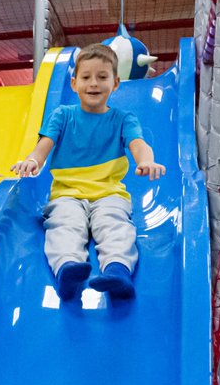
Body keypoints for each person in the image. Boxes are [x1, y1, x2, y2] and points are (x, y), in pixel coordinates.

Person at [11, 43, 165, 300]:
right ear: (74, 83)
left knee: (114, 223)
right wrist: (32, 161)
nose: (93, 83)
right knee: (65, 224)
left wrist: (146, 161)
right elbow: (44, 145)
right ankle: (67, 269)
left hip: (109, 193)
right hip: (67, 194)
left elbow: (139, 144)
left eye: (102, 77)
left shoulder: (123, 119)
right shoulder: (62, 115)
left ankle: (118, 271)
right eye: (86, 77)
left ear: (115, 84)